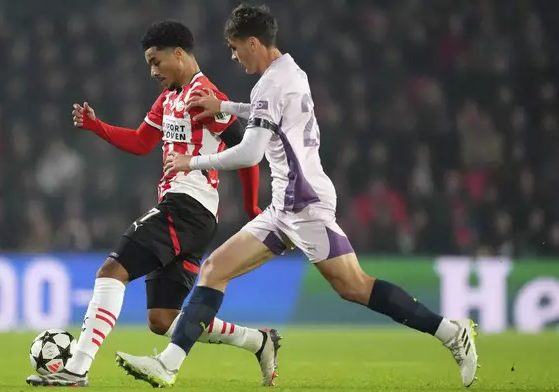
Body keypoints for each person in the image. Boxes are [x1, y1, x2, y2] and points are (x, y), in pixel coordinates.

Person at [115, 4, 479, 389]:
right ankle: (169, 365)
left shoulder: (270, 84)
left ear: (253, 42)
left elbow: (251, 152)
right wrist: (225, 106)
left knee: (354, 286)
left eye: (236, 48)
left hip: (302, 204)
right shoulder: (291, 72)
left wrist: (192, 161)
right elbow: (268, 115)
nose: (234, 56)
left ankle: (450, 332)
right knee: (214, 269)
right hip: (285, 204)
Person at [26, 20, 281, 388]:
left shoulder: (203, 95)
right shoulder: (169, 98)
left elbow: (245, 151)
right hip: (191, 214)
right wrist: (98, 127)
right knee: (162, 319)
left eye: (156, 61)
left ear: (178, 53)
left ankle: (77, 368)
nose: (152, 71)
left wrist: (253, 206)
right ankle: (259, 341)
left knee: (111, 272)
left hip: (187, 207)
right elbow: (142, 142)